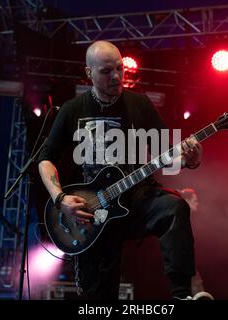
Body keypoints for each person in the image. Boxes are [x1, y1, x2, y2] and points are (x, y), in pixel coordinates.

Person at [38, 40, 204, 300]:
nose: (116, 77)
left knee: (175, 207)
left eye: (119, 69)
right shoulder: (72, 110)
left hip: (137, 200)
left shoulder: (140, 105)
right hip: (93, 213)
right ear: (88, 73)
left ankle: (183, 295)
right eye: (106, 71)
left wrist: (190, 159)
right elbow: (46, 158)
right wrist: (60, 198)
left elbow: (167, 156)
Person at [179, 188, 214, 300]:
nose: (197, 203)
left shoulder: (188, 218)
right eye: (195, 200)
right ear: (187, 201)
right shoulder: (180, 217)